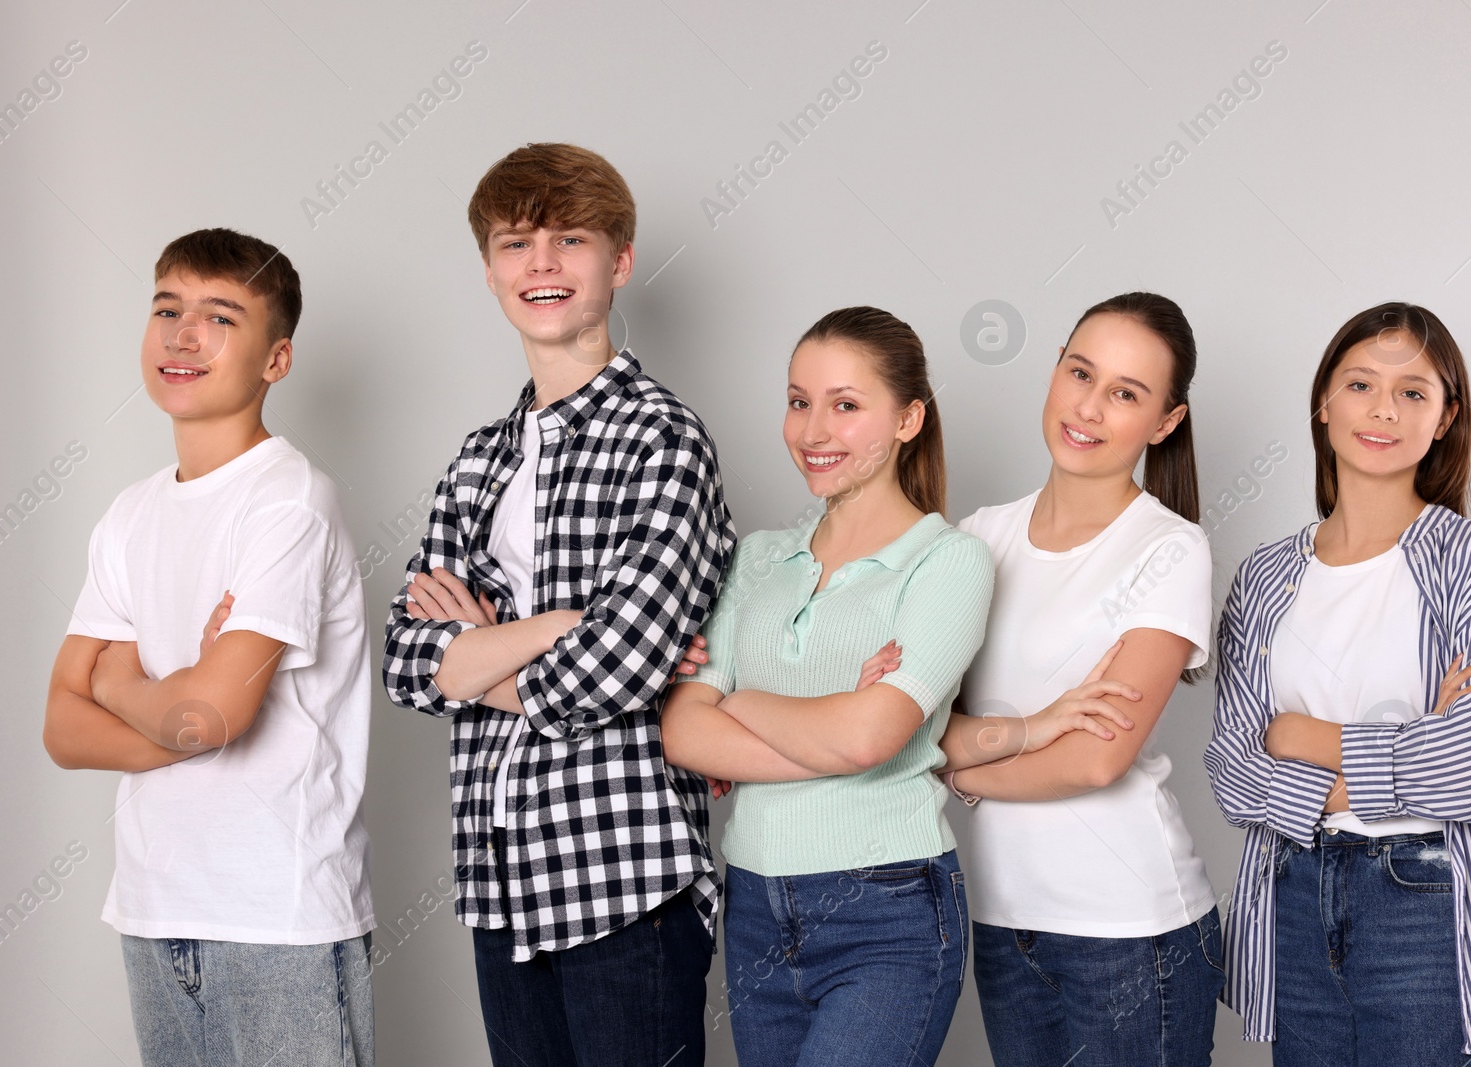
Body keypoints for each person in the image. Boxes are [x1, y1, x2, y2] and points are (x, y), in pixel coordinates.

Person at [381, 143, 734, 1067]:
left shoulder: (662, 438)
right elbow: (405, 661)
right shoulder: (478, 458)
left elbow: (616, 665)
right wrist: (549, 627)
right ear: (492, 270)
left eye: (567, 239)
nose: (540, 263)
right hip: (500, 874)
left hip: (622, 875)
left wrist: (480, 651)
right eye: (514, 242)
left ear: (618, 262)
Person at [44, 228, 376, 1065]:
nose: (181, 335)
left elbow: (211, 716)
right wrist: (178, 699)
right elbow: (61, 728)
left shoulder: (289, 503)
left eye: (220, 317)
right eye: (167, 308)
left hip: (277, 919)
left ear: (277, 360)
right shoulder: (129, 512)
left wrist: (120, 682)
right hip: (154, 911)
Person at [1205, 303, 1471, 1064]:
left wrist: (1304, 739)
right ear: (1324, 403)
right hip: (1295, 890)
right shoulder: (1265, 577)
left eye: (1413, 392)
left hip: (1426, 903)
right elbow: (1235, 774)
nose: (1383, 408)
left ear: (1445, 418)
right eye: (1362, 382)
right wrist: (1409, 746)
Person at [660, 306, 994, 1066]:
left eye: (846, 405)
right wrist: (839, 723)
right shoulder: (758, 558)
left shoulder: (948, 561)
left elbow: (868, 735)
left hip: (887, 906)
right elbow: (683, 732)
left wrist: (737, 700)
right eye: (798, 401)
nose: (813, 431)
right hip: (753, 903)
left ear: (908, 418)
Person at [939, 292, 1223, 1066]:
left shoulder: (1168, 549)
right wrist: (1024, 733)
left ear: (1165, 421)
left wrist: (962, 769)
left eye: (1126, 393)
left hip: (1130, 931)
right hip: (1005, 922)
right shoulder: (977, 538)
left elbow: (1098, 759)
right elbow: (915, 722)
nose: (1089, 408)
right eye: (1080, 373)